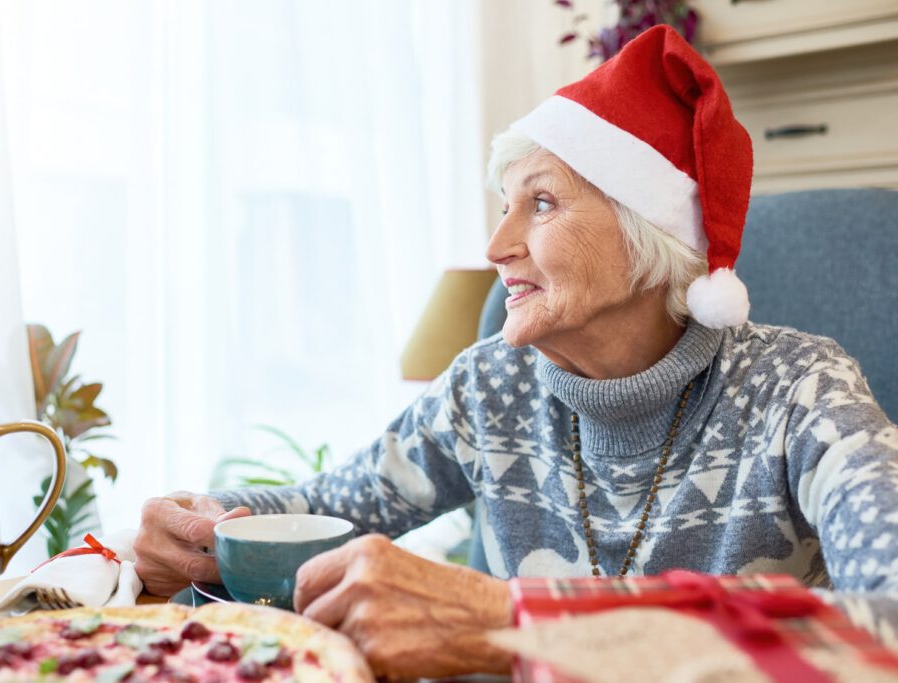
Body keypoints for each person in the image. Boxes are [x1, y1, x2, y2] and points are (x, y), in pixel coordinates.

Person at [134, 25, 898, 679]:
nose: (497, 247)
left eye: (541, 202)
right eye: (506, 206)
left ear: (648, 236)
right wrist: (207, 529)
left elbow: (887, 625)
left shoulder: (801, 390)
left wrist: (518, 620)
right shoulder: (487, 387)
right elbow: (329, 509)